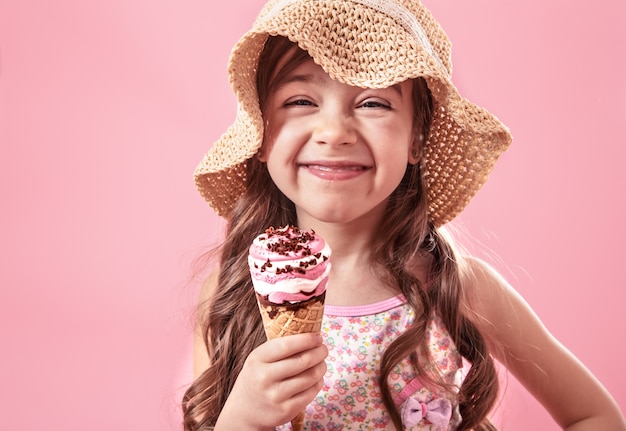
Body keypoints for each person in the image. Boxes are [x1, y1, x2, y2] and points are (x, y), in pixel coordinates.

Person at [182, 0, 625, 430]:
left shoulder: (455, 287)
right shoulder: (232, 295)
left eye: (373, 102)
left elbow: (595, 416)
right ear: (260, 134)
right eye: (300, 100)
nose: (335, 133)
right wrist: (241, 419)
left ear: (416, 137)